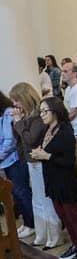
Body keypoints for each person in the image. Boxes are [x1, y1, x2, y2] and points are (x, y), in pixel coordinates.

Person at [31, 97, 77, 259]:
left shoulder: (65, 131)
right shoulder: (48, 129)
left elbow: (68, 160)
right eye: (40, 111)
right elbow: (33, 142)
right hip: (53, 179)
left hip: (65, 180)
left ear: (55, 111)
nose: (42, 115)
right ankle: (75, 244)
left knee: (72, 215)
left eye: (45, 111)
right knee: (62, 215)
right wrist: (39, 153)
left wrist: (46, 156)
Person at [9, 82, 61, 249]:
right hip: (31, 161)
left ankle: (54, 236)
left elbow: (31, 139)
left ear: (25, 98)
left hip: (42, 163)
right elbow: (20, 140)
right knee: (36, 200)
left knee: (46, 200)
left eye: (16, 100)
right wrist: (17, 122)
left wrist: (18, 122)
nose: (15, 105)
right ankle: (41, 234)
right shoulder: (27, 116)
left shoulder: (39, 115)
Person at [0, 91, 34, 239]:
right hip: (7, 161)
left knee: (22, 192)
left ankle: (31, 224)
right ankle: (27, 223)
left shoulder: (8, 113)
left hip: (15, 159)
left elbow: (10, 141)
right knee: (16, 193)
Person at [61, 62, 77, 136]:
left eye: (65, 71)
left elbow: (73, 112)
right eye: (62, 71)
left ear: (74, 73)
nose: (62, 74)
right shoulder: (68, 88)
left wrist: (60, 123)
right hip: (72, 129)